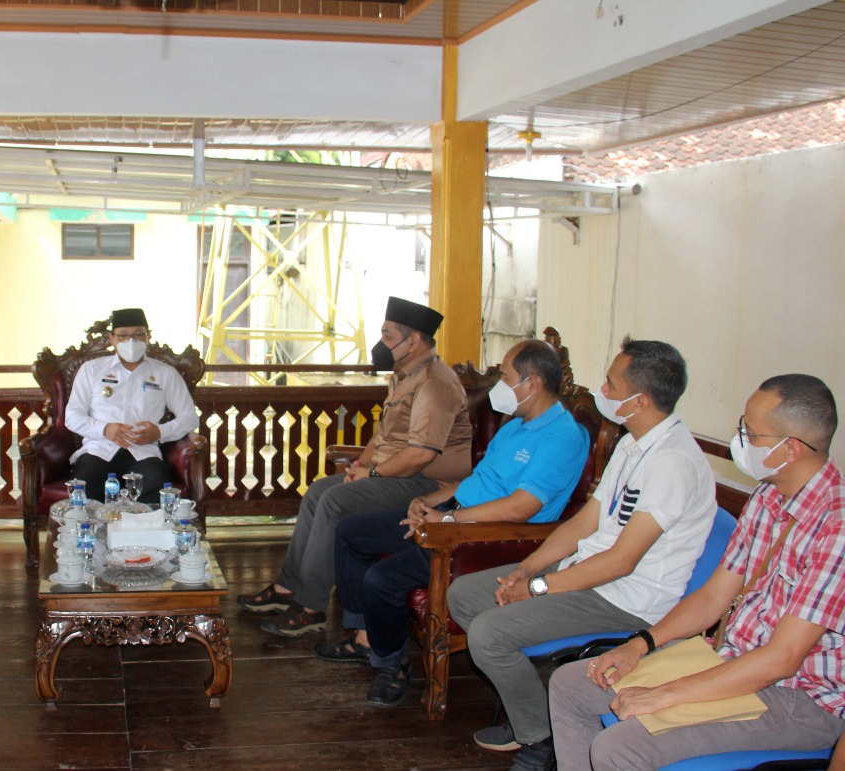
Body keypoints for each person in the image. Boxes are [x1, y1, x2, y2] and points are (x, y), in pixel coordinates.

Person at [445, 337, 716, 771]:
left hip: (627, 600)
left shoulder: (673, 463)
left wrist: (538, 587)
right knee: (464, 594)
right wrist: (528, 569)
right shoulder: (631, 445)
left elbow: (622, 561)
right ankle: (531, 706)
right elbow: (584, 523)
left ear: (640, 401)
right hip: (588, 571)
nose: (601, 392)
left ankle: (539, 736)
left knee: (489, 634)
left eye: (611, 385)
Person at [550, 374, 845, 771]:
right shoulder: (768, 496)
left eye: (750, 432)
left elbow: (781, 659)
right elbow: (714, 596)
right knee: (571, 685)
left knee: (619, 748)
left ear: (789, 448)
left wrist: (665, 694)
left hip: (801, 697)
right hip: (731, 660)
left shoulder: (836, 527)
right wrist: (641, 644)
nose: (740, 439)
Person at [317, 339, 590, 707]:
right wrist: (429, 501)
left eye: (506, 378)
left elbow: (520, 508)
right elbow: (477, 482)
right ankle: (366, 636)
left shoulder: (563, 437)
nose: (499, 387)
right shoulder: (515, 427)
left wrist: (447, 519)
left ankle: (392, 665)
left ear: (533, 383)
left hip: (485, 538)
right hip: (455, 514)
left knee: (382, 579)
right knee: (351, 533)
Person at [237, 296, 473, 637]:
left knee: (336, 501)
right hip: (395, 474)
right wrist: (360, 464)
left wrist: (372, 474)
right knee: (318, 491)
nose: (381, 344)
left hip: (427, 484)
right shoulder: (405, 375)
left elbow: (421, 455)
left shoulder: (435, 383)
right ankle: (289, 586)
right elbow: (384, 435)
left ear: (414, 341)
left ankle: (311, 606)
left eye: (388, 336)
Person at [65, 308, 200, 504]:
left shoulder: (165, 373)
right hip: (99, 450)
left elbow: (189, 417)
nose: (131, 341)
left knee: (155, 486)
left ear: (148, 337)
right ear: (112, 339)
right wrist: (105, 429)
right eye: (123, 335)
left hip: (143, 453)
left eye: (138, 334)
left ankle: (146, 525)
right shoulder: (91, 370)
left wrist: (160, 432)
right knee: (85, 487)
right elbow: (72, 417)